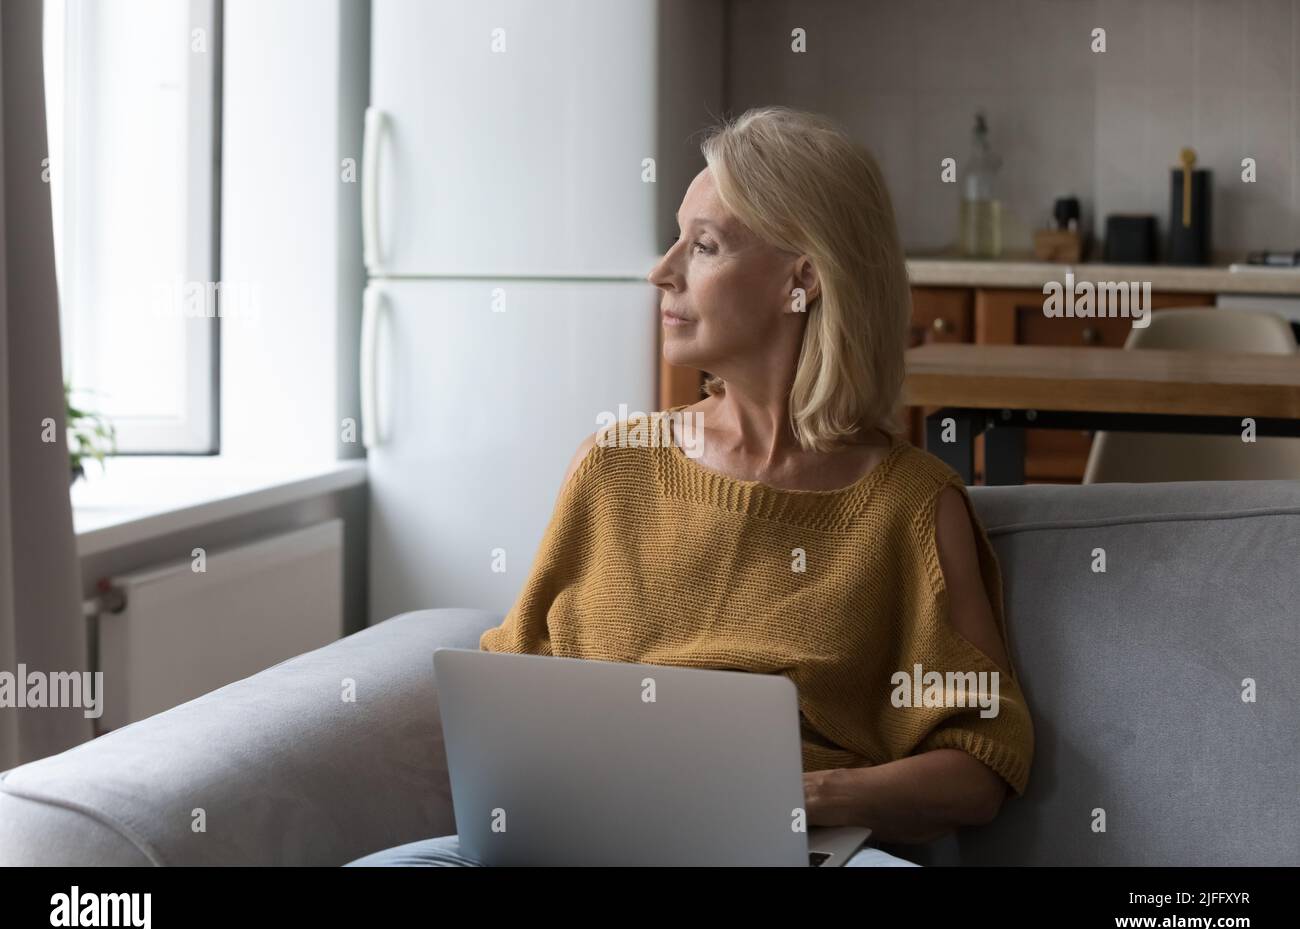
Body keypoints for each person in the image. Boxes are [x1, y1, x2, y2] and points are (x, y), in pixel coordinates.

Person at [346, 106, 1034, 868]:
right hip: (581, 840)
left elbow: (978, 765)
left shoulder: (911, 509)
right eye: (678, 237)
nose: (661, 269)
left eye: (703, 245)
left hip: (793, 850)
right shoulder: (612, 469)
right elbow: (510, 690)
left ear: (802, 279)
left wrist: (807, 798)